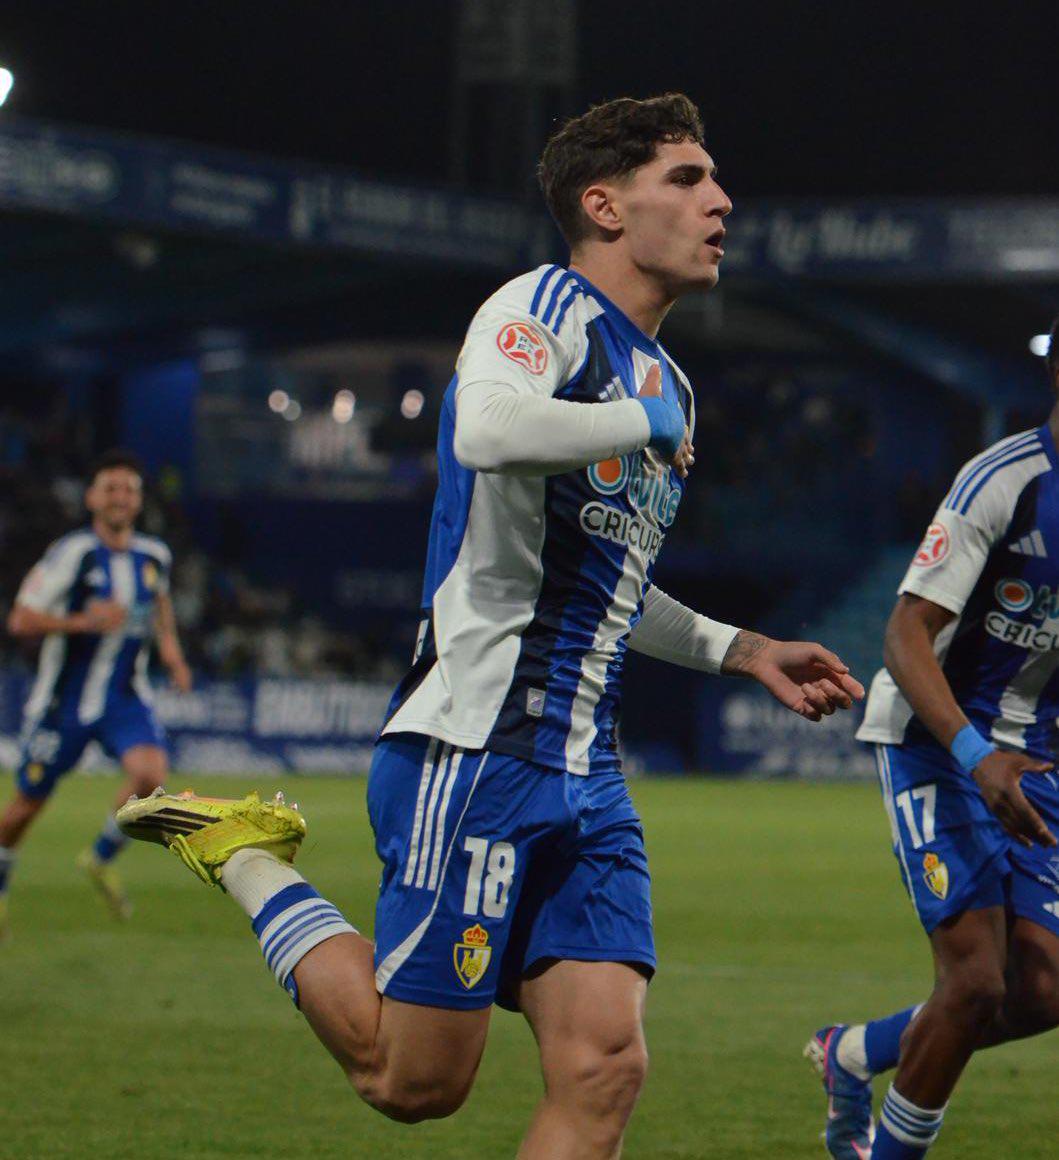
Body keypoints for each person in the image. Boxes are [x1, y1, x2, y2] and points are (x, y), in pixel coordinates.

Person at [119, 93, 862, 1158]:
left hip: (587, 769)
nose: (722, 201)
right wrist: (644, 420)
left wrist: (741, 649)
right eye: (687, 179)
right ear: (604, 206)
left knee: (605, 1067)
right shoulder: (542, 307)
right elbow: (486, 427)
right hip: (479, 747)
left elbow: (609, 589)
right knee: (413, 1081)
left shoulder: (669, 382)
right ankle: (244, 855)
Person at [805, 316, 1059, 1160]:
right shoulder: (1005, 481)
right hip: (937, 739)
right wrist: (973, 758)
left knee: (1042, 990)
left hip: (1034, 753)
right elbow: (904, 633)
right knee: (976, 981)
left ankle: (853, 1052)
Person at [0, 449, 190, 935]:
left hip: (124, 698)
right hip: (63, 702)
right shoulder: (72, 553)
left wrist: (172, 654)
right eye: (110, 488)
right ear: (91, 498)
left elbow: (161, 607)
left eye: (128, 489)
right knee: (25, 807)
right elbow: (20, 619)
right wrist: (80, 622)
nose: (120, 497)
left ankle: (100, 856)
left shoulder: (154, 556)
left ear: (139, 500)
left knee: (150, 775)